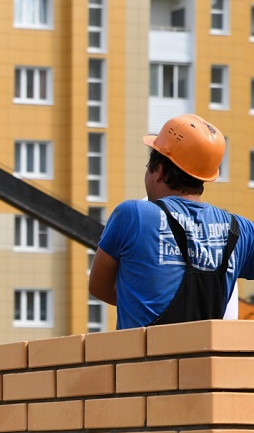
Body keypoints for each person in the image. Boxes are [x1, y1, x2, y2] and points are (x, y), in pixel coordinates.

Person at [89, 114, 254, 328]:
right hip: (205, 358)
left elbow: (98, 286)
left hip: (143, 360)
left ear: (159, 170)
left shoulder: (133, 215)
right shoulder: (239, 230)